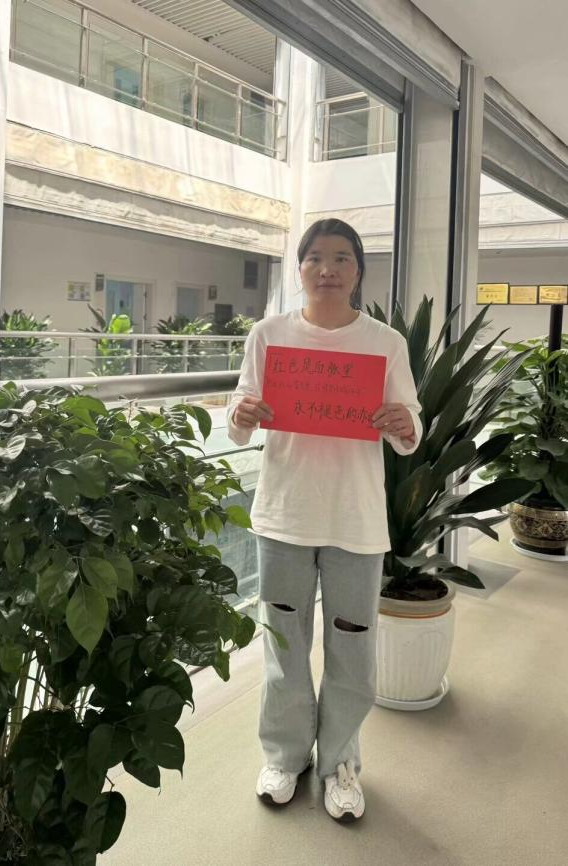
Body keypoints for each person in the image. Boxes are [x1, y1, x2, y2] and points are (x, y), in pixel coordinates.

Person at [227, 218, 422, 823]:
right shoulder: (269, 335)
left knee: (352, 649)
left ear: (358, 270)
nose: (328, 269)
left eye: (341, 258)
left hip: (355, 521)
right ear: (300, 268)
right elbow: (239, 414)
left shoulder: (385, 342)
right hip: (285, 515)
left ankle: (340, 763)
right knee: (284, 645)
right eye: (315, 257)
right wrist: (242, 413)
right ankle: (285, 757)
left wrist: (403, 423)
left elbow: (409, 427)